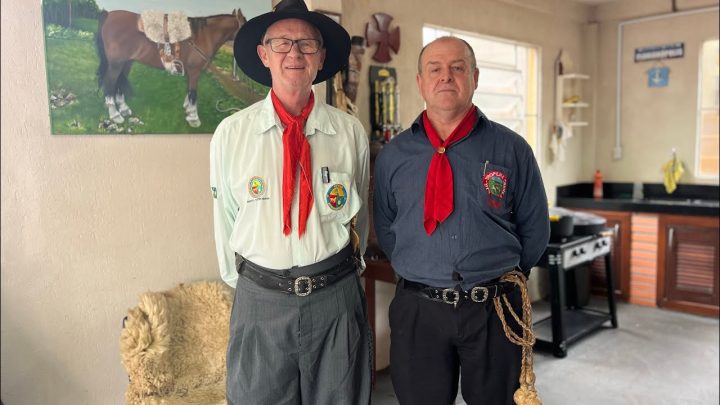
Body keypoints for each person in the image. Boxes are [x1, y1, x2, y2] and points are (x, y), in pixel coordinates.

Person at [373, 36, 550, 405]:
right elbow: (387, 227)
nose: (446, 76)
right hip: (418, 310)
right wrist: (425, 266)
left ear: (475, 77)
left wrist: (495, 275)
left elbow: (535, 228)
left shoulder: (511, 149)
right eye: (435, 69)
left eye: (457, 68)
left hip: (494, 309)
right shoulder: (394, 155)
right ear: (420, 81)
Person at [210, 1, 372, 404]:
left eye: (306, 44)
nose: (294, 53)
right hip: (261, 300)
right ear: (264, 54)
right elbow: (226, 220)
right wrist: (255, 290)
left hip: (335, 299)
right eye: (281, 43)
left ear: (321, 57)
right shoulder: (232, 134)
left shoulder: (349, 133)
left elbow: (359, 219)